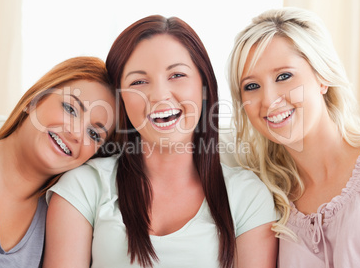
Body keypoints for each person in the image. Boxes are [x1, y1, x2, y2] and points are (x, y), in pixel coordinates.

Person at [43, 15, 278, 268]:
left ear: (204, 86)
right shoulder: (84, 187)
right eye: (139, 82)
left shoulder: (247, 195)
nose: (159, 95)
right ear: (120, 100)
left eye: (177, 75)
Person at [228, 7, 360, 268]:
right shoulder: (265, 197)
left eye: (284, 76)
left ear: (322, 76)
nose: (269, 100)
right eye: (252, 86)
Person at [0, 56, 116, 268]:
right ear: (34, 99)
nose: (76, 134)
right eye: (70, 109)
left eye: (93, 133)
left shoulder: (60, 218)